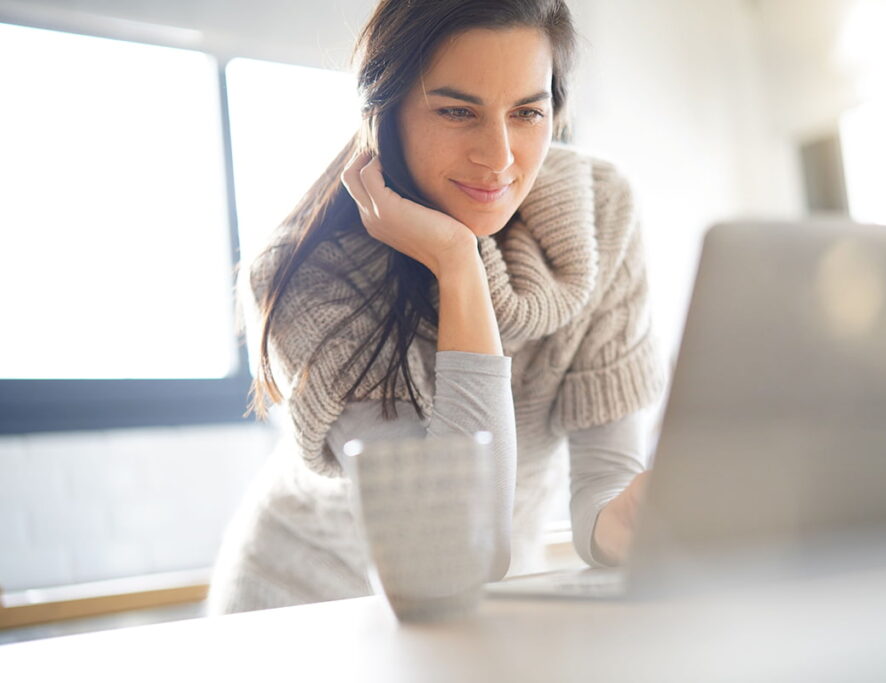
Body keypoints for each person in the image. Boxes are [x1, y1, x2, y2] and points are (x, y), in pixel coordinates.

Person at [207, 0, 665, 614]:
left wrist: (632, 518)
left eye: (527, 111)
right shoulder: (308, 277)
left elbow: (601, 485)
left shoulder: (600, 214)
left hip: (487, 609)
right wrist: (458, 263)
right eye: (457, 111)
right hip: (305, 607)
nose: (499, 156)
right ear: (384, 112)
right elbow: (451, 558)